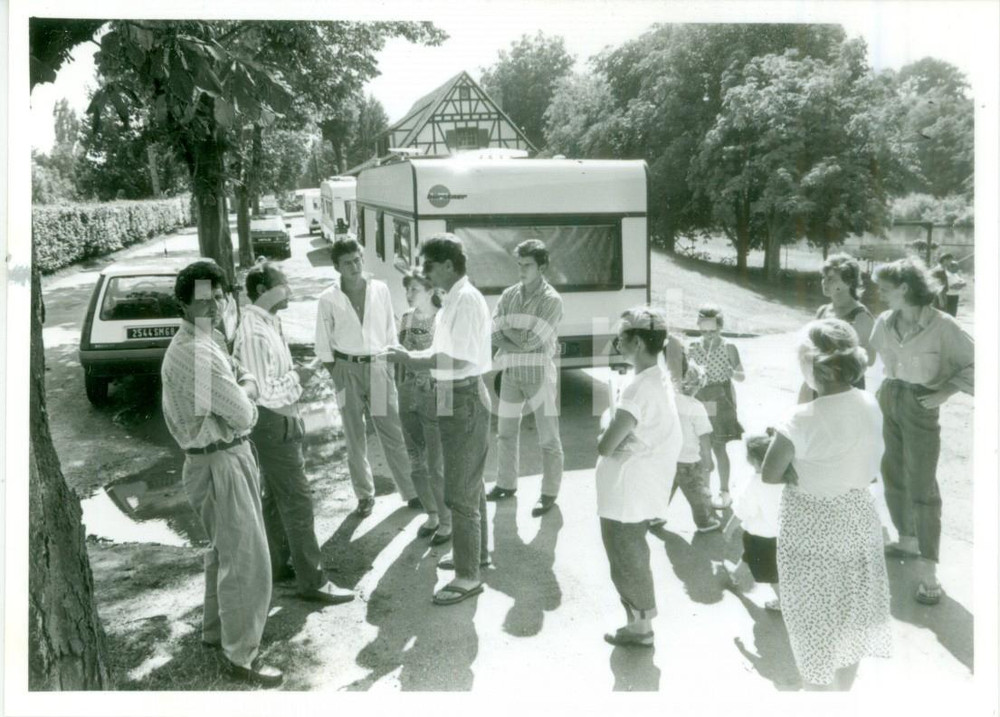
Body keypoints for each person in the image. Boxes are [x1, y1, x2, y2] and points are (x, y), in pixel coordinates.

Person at [160, 260, 282, 687]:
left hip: (220, 457)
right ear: (183, 302)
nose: (211, 306)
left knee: (225, 552)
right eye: (201, 300)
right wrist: (249, 390)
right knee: (247, 561)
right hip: (219, 461)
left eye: (217, 297)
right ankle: (241, 657)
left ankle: (217, 633)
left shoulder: (203, 338)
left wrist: (243, 382)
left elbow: (236, 374)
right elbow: (245, 411)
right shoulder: (194, 352)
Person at [762, 318, 891, 690]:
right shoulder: (869, 401)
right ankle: (840, 695)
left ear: (817, 367)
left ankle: (817, 693)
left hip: (811, 526)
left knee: (813, 617)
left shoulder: (799, 418)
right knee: (851, 612)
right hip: (857, 517)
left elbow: (771, 474)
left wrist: (794, 466)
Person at [234, 260, 355, 606]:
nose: (289, 289)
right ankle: (312, 581)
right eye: (282, 283)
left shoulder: (269, 322)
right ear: (262, 290)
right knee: (298, 501)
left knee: (275, 498)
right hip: (273, 424)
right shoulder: (255, 332)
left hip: (280, 422)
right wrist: (300, 378)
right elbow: (266, 392)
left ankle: (279, 565)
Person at [385, 234, 494, 606]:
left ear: (448, 264)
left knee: (459, 491)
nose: (424, 273)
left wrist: (411, 361)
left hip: (461, 392)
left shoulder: (464, 300)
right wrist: (412, 353)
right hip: (452, 393)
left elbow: (461, 361)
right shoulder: (453, 299)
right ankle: (476, 556)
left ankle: (468, 576)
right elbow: (444, 350)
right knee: (468, 483)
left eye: (428, 265)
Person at [869, 257, 974, 605]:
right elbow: (874, 361)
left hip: (921, 404)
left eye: (885, 288)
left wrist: (946, 391)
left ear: (905, 288)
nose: (878, 293)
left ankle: (929, 569)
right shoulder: (884, 322)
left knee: (923, 484)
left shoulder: (944, 326)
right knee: (893, 473)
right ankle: (906, 539)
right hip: (889, 397)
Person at [595, 307, 683, 647]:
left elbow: (606, 445)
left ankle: (640, 627)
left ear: (636, 342)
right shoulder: (657, 378)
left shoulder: (636, 390)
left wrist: (605, 422)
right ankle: (640, 621)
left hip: (626, 490)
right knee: (633, 553)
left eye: (621, 337)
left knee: (626, 556)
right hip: (640, 485)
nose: (617, 342)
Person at [315, 238, 418, 517]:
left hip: (377, 366)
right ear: (336, 266)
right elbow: (323, 345)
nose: (354, 266)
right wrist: (337, 374)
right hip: (345, 370)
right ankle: (364, 495)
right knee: (354, 435)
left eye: (357, 259)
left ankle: (410, 491)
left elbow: (390, 331)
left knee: (391, 430)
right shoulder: (328, 298)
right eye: (347, 262)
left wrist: (388, 364)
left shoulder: (380, 289)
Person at [488, 239, 565, 517]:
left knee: (548, 438)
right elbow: (493, 330)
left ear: (542, 267)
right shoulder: (509, 294)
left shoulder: (551, 300)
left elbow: (533, 340)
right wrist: (514, 335)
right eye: (519, 264)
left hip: (539, 375)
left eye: (528, 265)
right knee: (505, 433)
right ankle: (506, 484)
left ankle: (549, 493)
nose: (521, 269)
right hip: (510, 374)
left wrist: (509, 329)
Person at [396, 269, 452, 545]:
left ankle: (447, 519)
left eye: (414, 289)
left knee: (436, 462)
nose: (409, 294)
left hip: (435, 393)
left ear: (431, 290)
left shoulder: (443, 320)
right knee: (415, 458)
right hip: (408, 392)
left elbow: (446, 360)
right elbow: (400, 356)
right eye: (407, 289)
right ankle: (431, 513)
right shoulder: (405, 318)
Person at [686, 305, 745, 509]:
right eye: (704, 331)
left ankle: (724, 490)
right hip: (699, 398)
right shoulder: (693, 347)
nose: (708, 336)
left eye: (713, 331)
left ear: (720, 328)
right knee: (703, 448)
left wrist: (732, 373)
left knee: (719, 447)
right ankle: (706, 493)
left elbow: (742, 376)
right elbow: (686, 375)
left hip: (719, 397)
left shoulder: (728, 347)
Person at [721, 431, 787, 612]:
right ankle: (735, 573)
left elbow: (744, 510)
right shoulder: (786, 476)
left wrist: (729, 528)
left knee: (771, 574)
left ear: (755, 462)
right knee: (751, 553)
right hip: (782, 533)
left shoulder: (756, 482)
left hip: (762, 535)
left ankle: (784, 603)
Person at [798, 253, 873, 402]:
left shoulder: (860, 316)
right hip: (818, 384)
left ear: (848, 282)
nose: (824, 282)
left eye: (831, 278)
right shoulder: (823, 311)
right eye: (823, 278)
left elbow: (869, 360)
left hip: (845, 389)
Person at [669, 361, 721, 533]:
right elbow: (704, 437)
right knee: (696, 494)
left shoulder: (670, 402)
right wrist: (708, 459)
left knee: (665, 489)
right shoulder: (696, 407)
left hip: (668, 457)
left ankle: (653, 516)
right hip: (689, 461)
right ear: (699, 385)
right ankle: (704, 522)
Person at [931, 252, 966, 318]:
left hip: (944, 295)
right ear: (945, 260)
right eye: (950, 260)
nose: (951, 262)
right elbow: (939, 286)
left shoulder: (942, 269)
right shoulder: (939, 270)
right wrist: (941, 299)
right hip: (940, 296)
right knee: (940, 317)